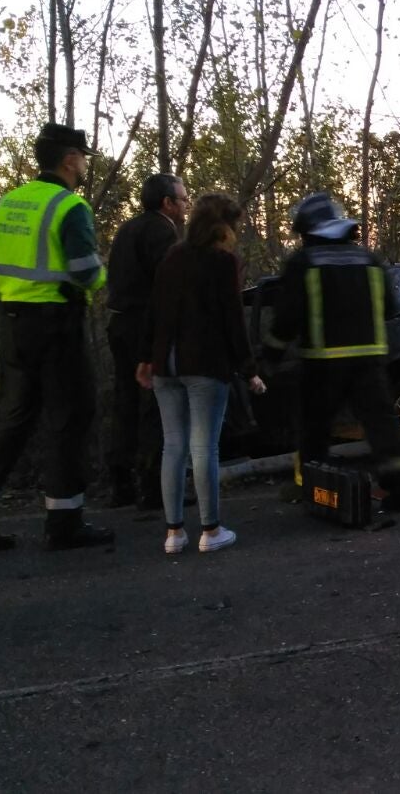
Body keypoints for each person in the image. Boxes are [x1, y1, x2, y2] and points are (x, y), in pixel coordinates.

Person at [0, 123, 115, 551]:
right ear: (68, 158)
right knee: (69, 415)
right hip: (56, 322)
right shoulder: (68, 206)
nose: (84, 165)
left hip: (13, 322)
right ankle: (64, 522)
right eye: (82, 156)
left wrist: (11, 302)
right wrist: (100, 280)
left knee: (13, 418)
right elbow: (85, 271)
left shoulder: (9, 203)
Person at [260, 192, 400, 511]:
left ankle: (313, 489)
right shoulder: (369, 260)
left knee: (314, 427)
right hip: (369, 361)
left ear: (309, 232)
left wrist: (269, 358)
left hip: (322, 364)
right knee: (382, 426)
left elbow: (287, 318)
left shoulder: (304, 263)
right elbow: (390, 306)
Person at [136, 194, 263, 554]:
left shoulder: (172, 256)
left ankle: (173, 533)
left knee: (173, 446)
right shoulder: (223, 262)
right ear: (224, 227)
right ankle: (211, 529)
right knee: (204, 446)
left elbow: (154, 309)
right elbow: (232, 320)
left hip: (166, 365)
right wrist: (248, 369)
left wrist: (146, 357)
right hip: (205, 364)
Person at [105, 173, 187, 508]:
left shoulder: (127, 229)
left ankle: (120, 484)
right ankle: (154, 488)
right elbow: (167, 286)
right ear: (167, 202)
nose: (185, 205)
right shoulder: (163, 231)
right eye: (182, 199)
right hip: (145, 326)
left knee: (125, 403)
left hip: (119, 324)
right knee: (156, 403)